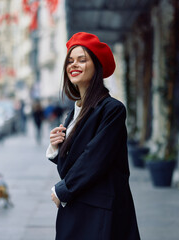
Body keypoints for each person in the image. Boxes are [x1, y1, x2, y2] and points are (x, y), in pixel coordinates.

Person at [46, 32, 141, 239]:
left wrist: (63, 190)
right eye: (70, 61)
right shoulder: (73, 112)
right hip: (76, 204)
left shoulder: (112, 109)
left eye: (82, 59)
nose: (74, 65)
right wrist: (56, 148)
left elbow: (95, 157)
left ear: (96, 65)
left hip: (101, 209)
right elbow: (69, 166)